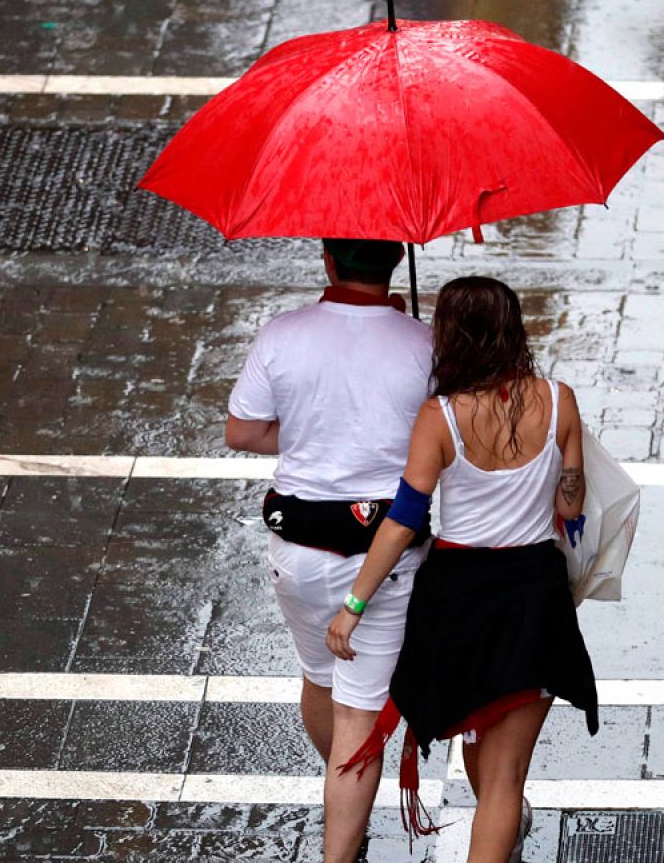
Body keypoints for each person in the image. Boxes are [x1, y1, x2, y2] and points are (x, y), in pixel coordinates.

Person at [327, 276, 598, 863]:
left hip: (458, 599)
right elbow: (570, 506)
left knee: (477, 741)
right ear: (513, 328)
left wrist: (354, 606)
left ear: (448, 335)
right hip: (534, 595)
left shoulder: (440, 415)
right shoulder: (561, 400)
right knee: (504, 782)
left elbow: (402, 522)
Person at [225, 237, 434, 863]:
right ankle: (341, 845)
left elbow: (243, 430)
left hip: (296, 552)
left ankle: (347, 789)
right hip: (382, 558)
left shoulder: (283, 334)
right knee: (359, 719)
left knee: (320, 680)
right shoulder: (423, 345)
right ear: (397, 261)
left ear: (328, 261)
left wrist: (319, 431)